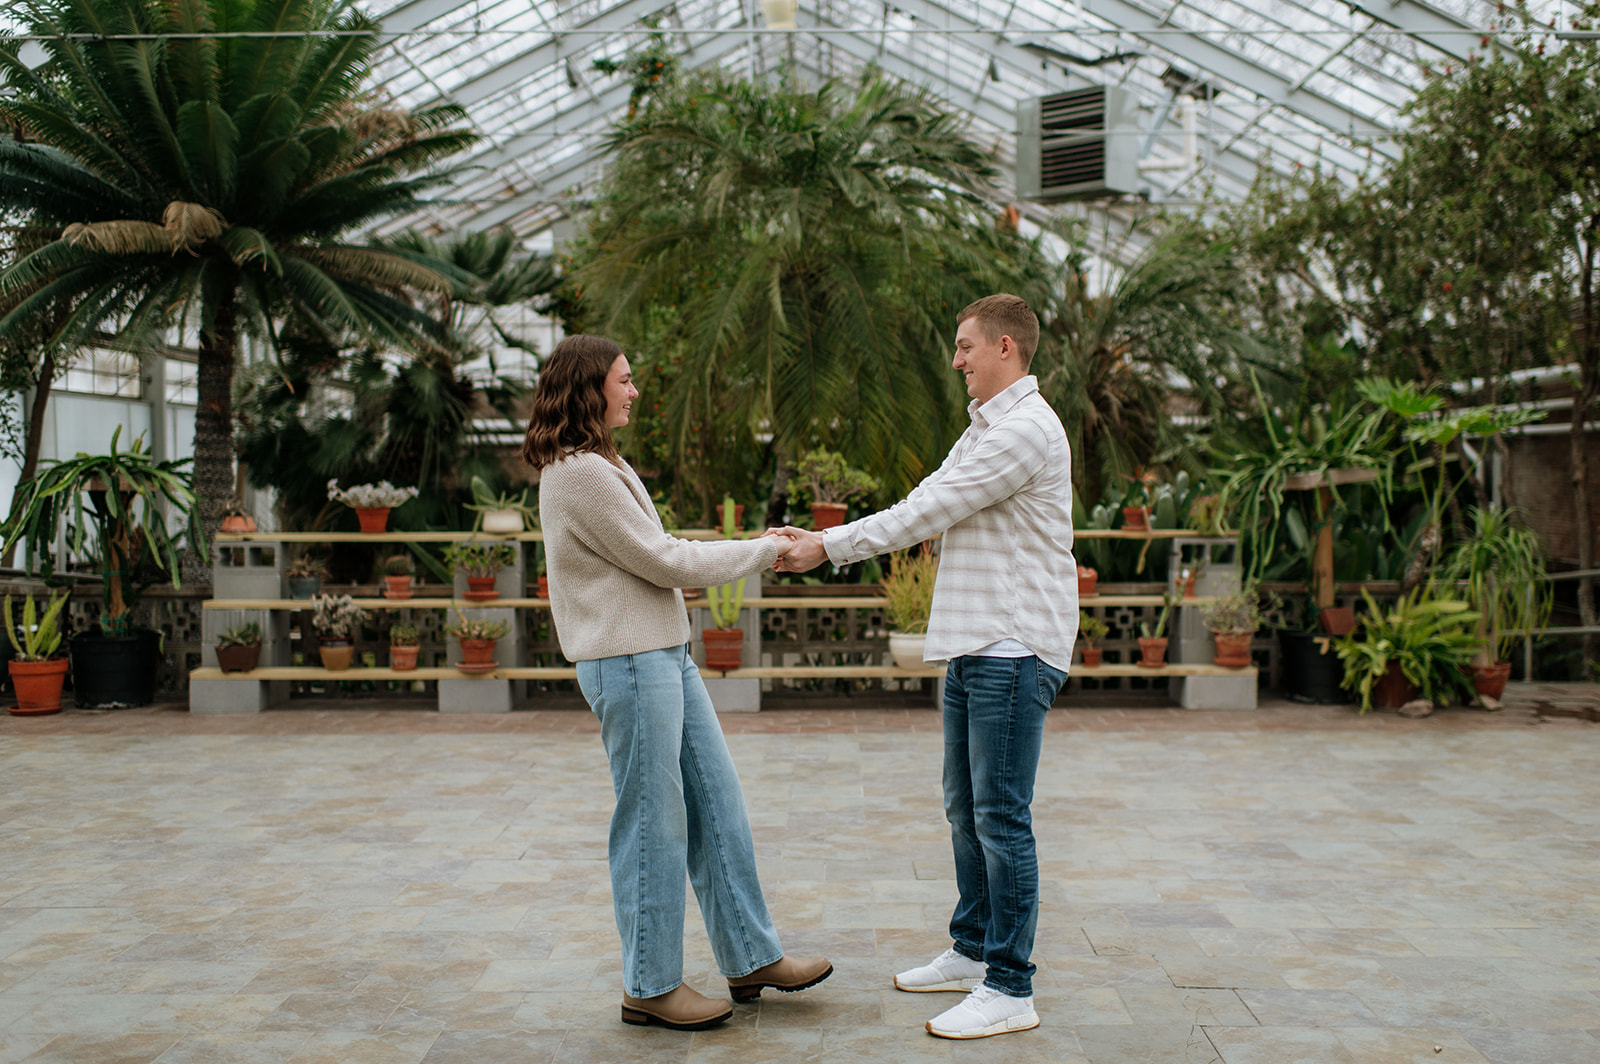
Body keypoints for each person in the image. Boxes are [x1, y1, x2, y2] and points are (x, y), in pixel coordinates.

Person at [770, 294, 1076, 1039]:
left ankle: (1011, 987)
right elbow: (924, 498)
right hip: (976, 645)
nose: (956, 359)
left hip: (1013, 646)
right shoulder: (984, 428)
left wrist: (826, 546)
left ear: (1007, 347)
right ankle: (974, 951)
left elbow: (930, 509)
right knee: (965, 810)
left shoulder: (1027, 430)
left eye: (966, 346)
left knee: (1001, 818)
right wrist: (826, 539)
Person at [523, 334, 832, 1031]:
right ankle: (650, 984)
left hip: (661, 655)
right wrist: (767, 550)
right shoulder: (579, 472)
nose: (633, 392)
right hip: (630, 663)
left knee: (717, 802)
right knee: (653, 823)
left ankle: (750, 957)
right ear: (589, 387)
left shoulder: (602, 463)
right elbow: (661, 558)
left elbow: (639, 563)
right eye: (624, 381)